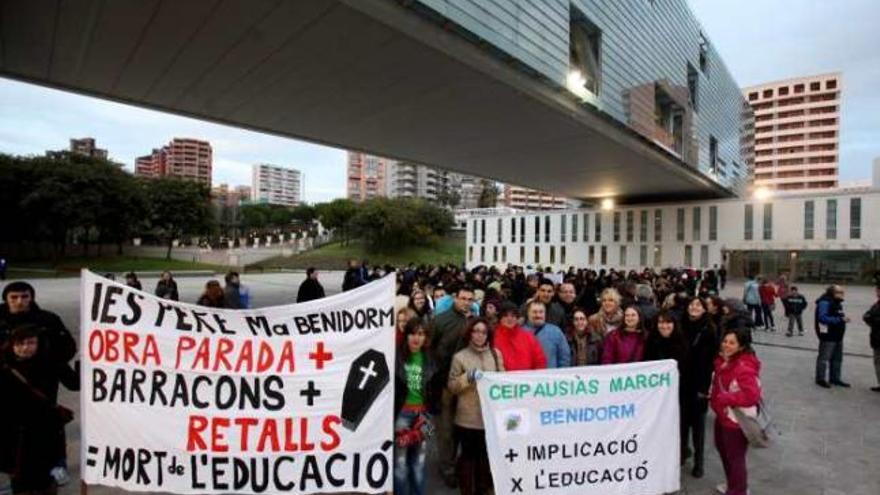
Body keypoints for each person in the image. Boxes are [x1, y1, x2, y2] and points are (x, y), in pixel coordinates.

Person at [0, 324, 80, 494]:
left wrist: (85, 363)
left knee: (45, 479)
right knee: (19, 479)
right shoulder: (5, 366)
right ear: (12, 345)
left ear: (38, 343)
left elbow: (75, 384)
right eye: (19, 344)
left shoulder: (51, 362)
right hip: (14, 433)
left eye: (30, 343)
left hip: (45, 430)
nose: (25, 348)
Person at [448, 318, 504, 495]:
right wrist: (467, 378)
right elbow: (452, 386)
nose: (480, 335)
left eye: (483, 332)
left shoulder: (496, 354)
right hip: (467, 419)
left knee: (485, 459)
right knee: (467, 458)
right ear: (470, 333)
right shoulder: (460, 357)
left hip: (489, 417)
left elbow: (503, 379)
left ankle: (483, 489)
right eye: (476, 331)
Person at [430, 285, 475, 487]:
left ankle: (459, 464)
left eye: (469, 299)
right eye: (463, 298)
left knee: (463, 426)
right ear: (455, 298)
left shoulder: (474, 322)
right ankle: (446, 466)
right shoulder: (439, 321)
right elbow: (429, 352)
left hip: (467, 383)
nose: (466, 302)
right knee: (446, 428)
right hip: (444, 383)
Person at [710, 327, 762, 495]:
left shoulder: (743, 367)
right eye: (725, 341)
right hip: (723, 416)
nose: (726, 345)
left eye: (732, 343)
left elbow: (751, 396)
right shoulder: (724, 361)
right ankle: (734, 484)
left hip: (735, 420)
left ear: (741, 347)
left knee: (735, 457)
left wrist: (726, 398)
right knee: (724, 451)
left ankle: (738, 490)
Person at [394, 318, 437, 495]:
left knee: (419, 462)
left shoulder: (430, 359)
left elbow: (434, 389)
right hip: (402, 415)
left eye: (421, 334)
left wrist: (431, 413)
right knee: (401, 462)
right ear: (406, 335)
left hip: (423, 415)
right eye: (412, 333)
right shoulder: (396, 356)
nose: (416, 338)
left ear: (425, 337)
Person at [644, 310, 689, 463]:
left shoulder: (682, 342)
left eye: (668, 322)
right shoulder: (651, 340)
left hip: (678, 392)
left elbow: (686, 367)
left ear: (674, 325)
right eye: (661, 322)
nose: (664, 326)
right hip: (656, 393)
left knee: (678, 424)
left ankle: (681, 452)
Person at [681, 296, 716, 478]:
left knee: (698, 427)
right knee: (682, 423)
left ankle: (699, 462)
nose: (694, 307)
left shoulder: (709, 329)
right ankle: (682, 453)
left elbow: (711, 362)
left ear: (704, 309)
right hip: (682, 383)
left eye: (698, 305)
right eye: (692, 304)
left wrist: (705, 388)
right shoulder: (681, 325)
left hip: (699, 384)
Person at [814, 285, 851, 388]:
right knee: (824, 358)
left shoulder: (837, 303)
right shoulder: (824, 302)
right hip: (828, 335)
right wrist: (840, 320)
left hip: (838, 335)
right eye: (840, 292)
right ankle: (820, 379)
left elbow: (837, 315)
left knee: (837, 358)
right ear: (833, 293)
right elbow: (822, 318)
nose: (843, 294)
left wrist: (842, 318)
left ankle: (835, 378)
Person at [493, 302, 546, 371]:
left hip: (527, 380)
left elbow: (540, 361)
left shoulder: (528, 337)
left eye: (513, 316)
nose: (509, 319)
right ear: (500, 318)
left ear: (517, 318)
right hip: (502, 380)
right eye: (505, 316)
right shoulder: (493, 338)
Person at [522, 301, 571, 368]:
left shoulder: (555, 331)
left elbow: (564, 357)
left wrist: (560, 375)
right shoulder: (520, 332)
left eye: (541, 312)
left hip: (550, 376)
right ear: (528, 313)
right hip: (526, 376)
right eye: (534, 312)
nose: (538, 315)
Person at [862, 284, 880, 392]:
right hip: (876, 338)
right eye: (877, 291)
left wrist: (872, 320)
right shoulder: (877, 304)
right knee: (877, 362)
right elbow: (867, 315)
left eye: (878, 291)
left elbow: (872, 317)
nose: (877, 293)